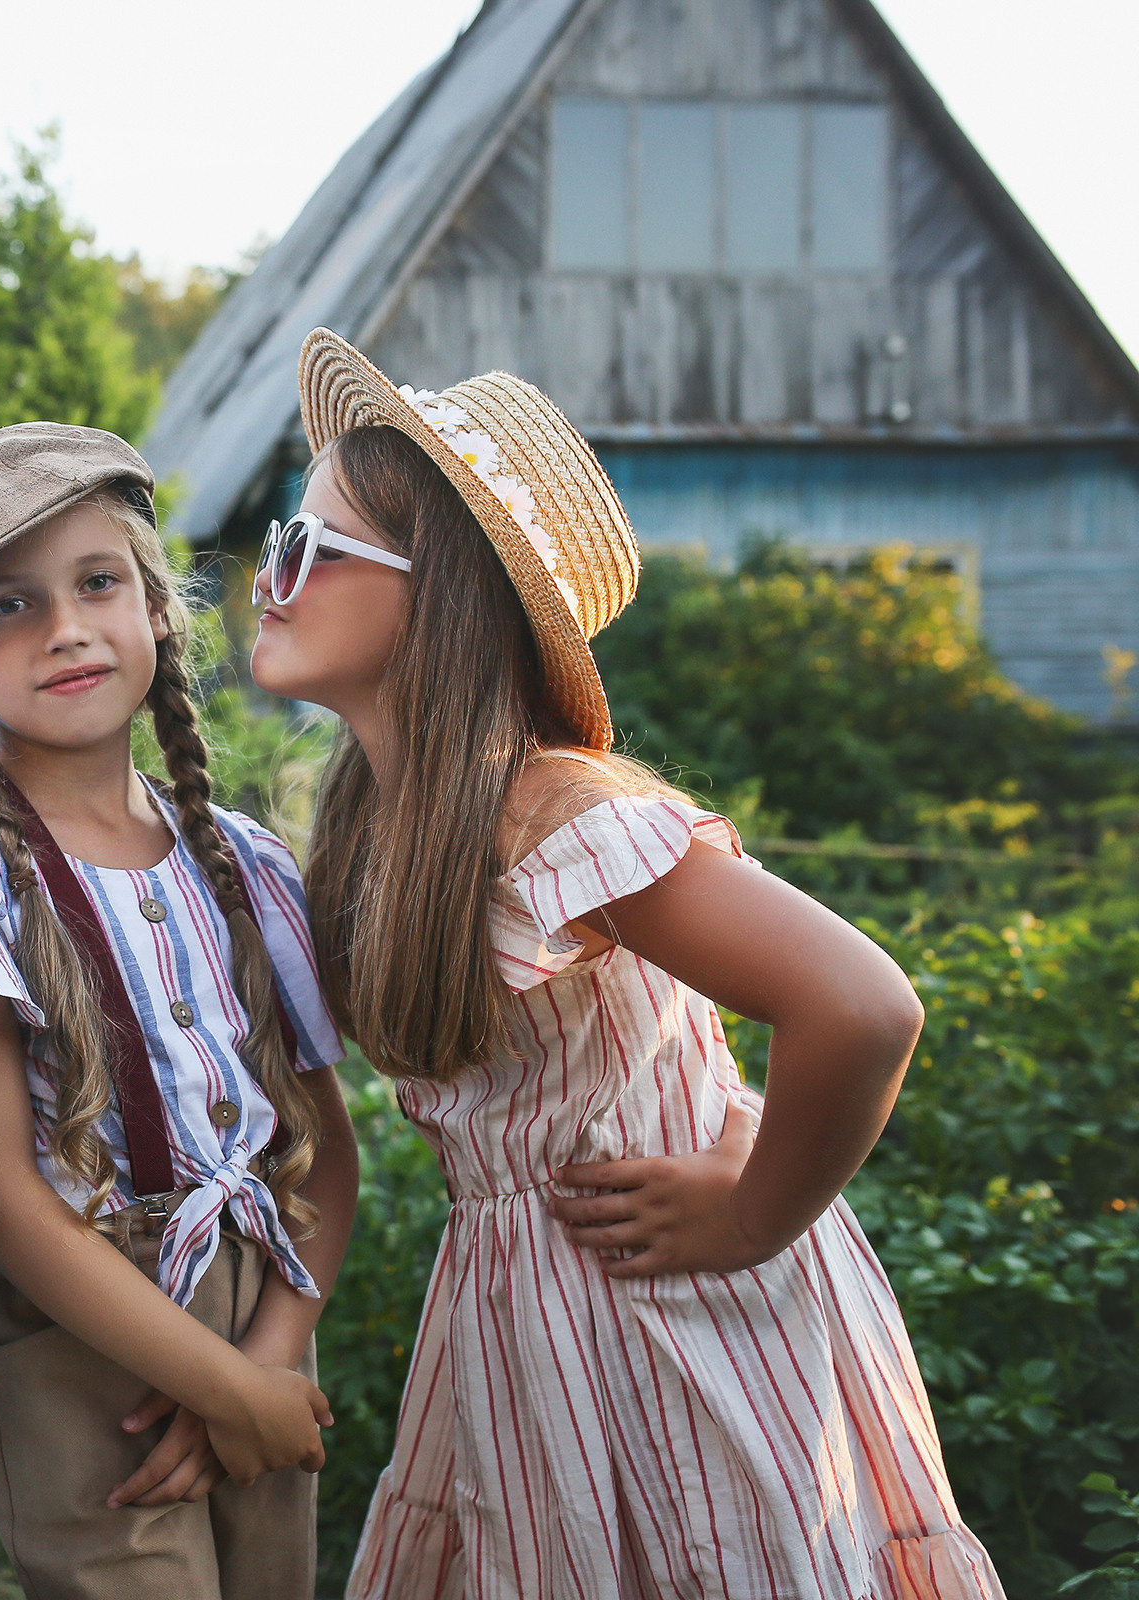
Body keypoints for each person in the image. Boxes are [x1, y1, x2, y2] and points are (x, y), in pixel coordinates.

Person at [252, 330, 1005, 1599]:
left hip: (671, 1312)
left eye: (315, 549)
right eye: (282, 538)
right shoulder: (377, 823)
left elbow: (863, 1004)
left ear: (434, 595)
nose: (274, 576)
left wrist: (757, 1207)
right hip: (523, 1326)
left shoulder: (553, 813)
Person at [0, 422, 360, 1600]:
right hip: (84, 1326)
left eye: (97, 582)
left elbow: (325, 1154)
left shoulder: (239, 861)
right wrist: (214, 1382)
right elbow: (0, 1200)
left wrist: (261, 1363)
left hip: (264, 1297)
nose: (65, 628)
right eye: (8, 607)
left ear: (154, 608)